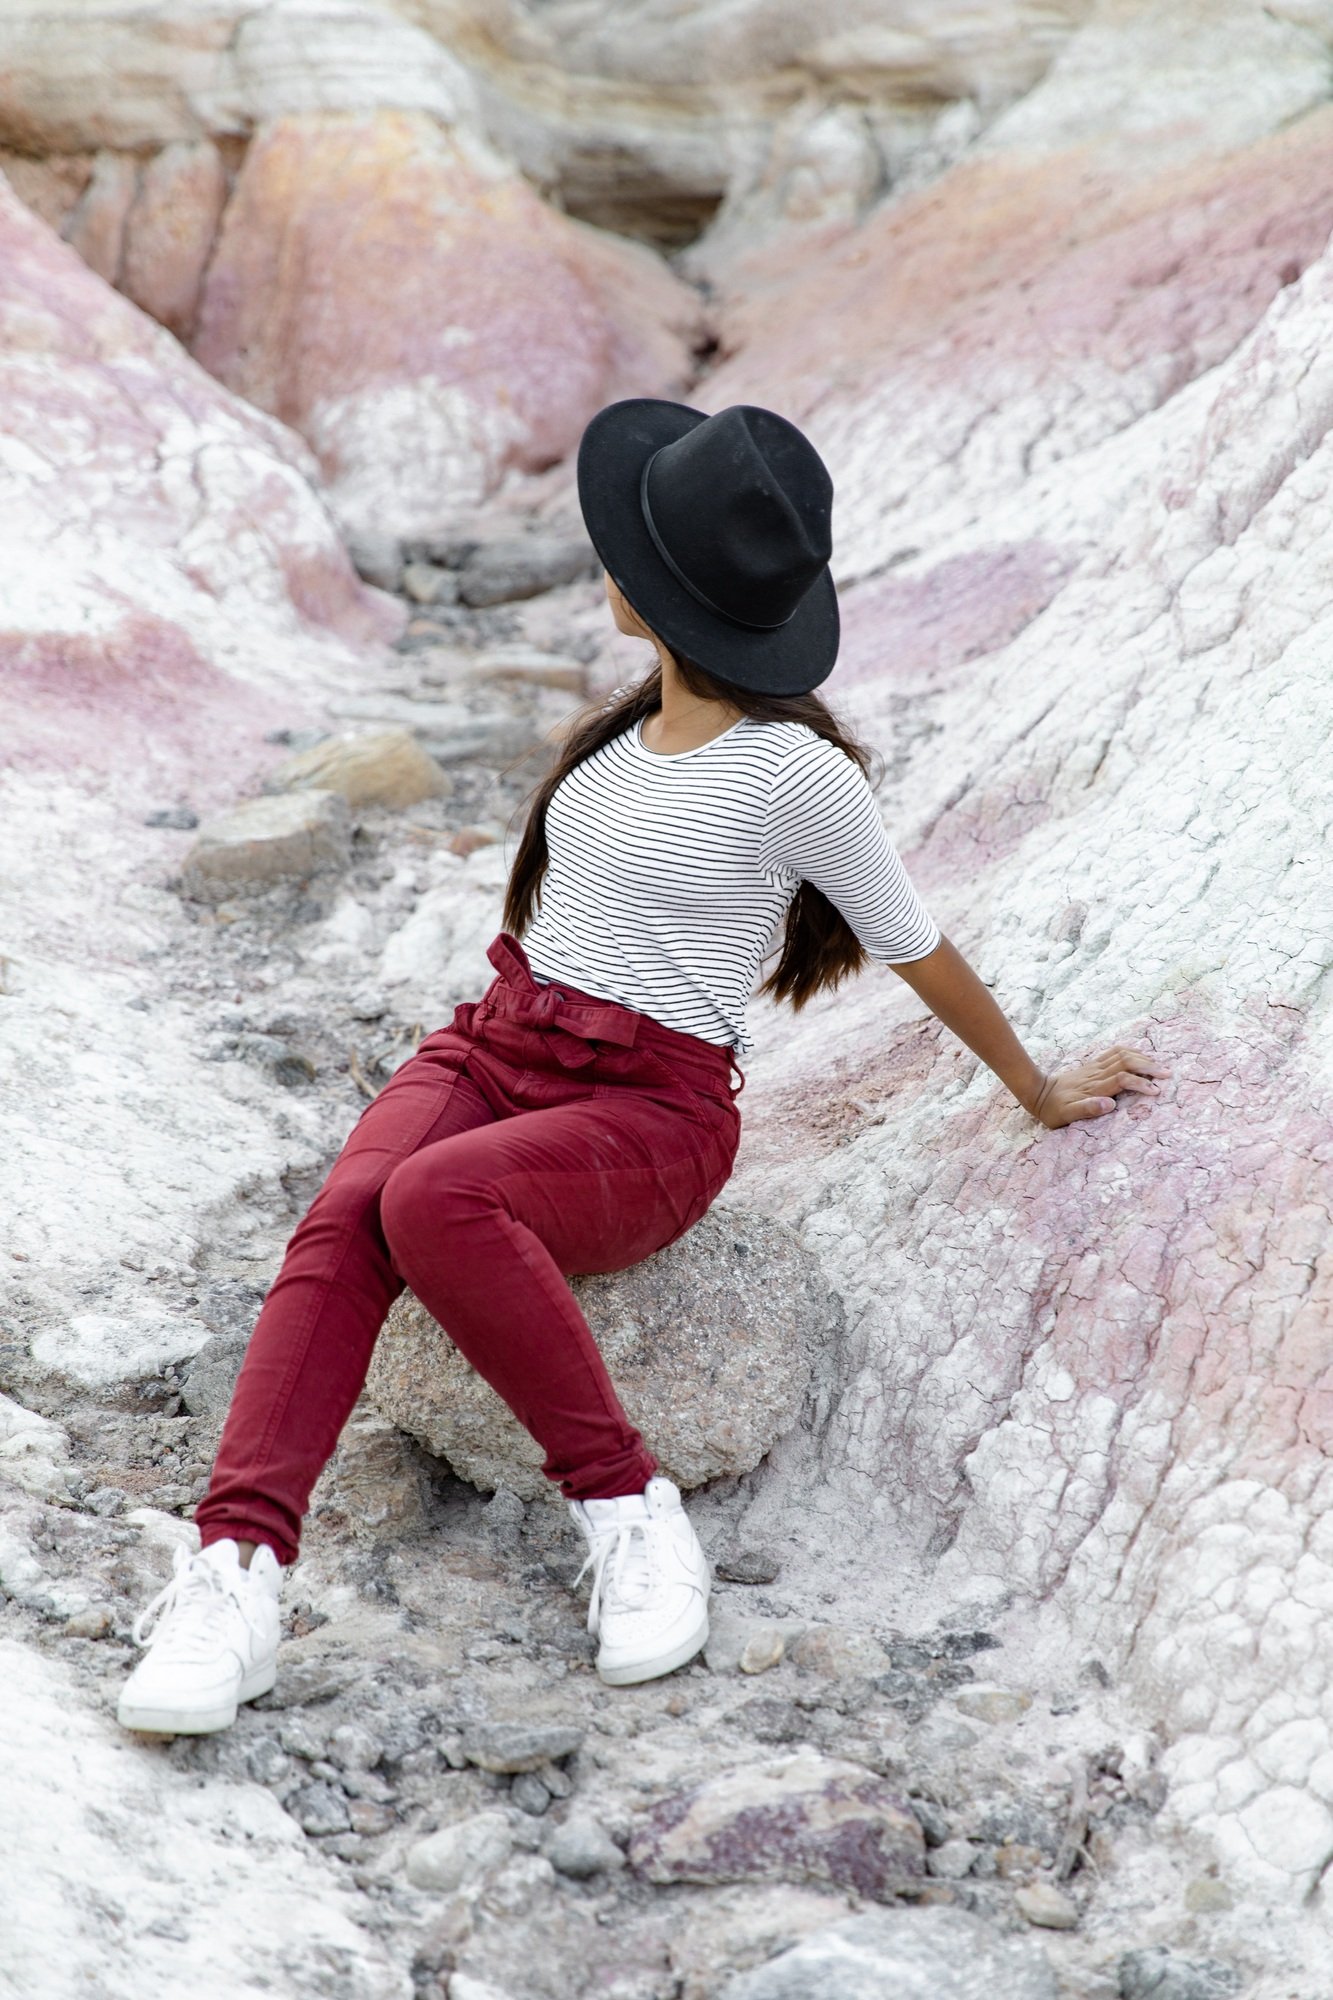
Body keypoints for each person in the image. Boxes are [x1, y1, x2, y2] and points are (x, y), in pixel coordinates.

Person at [117, 399, 1169, 1735]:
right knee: (344, 1218)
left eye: (623, 546)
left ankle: (627, 1508)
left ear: (669, 592)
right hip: (495, 1044)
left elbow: (914, 943)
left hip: (650, 1110)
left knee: (435, 1203)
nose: (600, 559)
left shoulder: (794, 772)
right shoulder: (612, 743)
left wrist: (1035, 1089)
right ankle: (236, 1571)